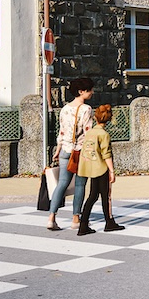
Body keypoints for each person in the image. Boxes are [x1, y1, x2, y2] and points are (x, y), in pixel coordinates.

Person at [46, 77, 94, 231]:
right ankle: (75, 219)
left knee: (62, 184)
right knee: (80, 185)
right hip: (80, 151)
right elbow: (88, 133)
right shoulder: (86, 109)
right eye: (89, 90)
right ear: (81, 92)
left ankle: (52, 217)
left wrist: (58, 148)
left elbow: (62, 130)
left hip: (65, 150)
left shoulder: (65, 108)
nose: (92, 92)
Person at [76, 104, 125, 235]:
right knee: (106, 196)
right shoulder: (104, 134)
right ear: (108, 119)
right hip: (102, 168)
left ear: (96, 118)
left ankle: (83, 224)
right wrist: (112, 171)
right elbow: (106, 154)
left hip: (91, 167)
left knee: (92, 196)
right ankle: (109, 222)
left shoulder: (90, 132)